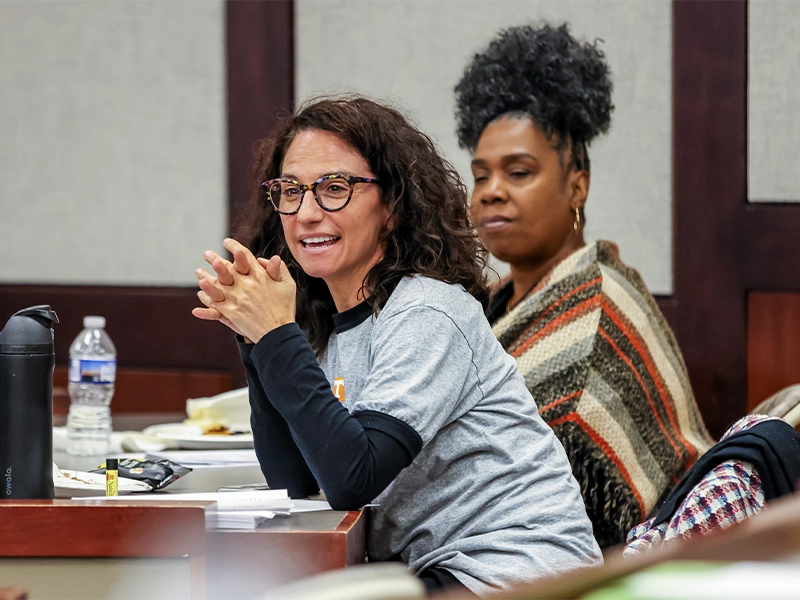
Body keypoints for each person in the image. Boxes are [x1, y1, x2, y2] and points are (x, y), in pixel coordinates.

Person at [192, 97, 601, 595]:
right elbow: (295, 481)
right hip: (436, 570)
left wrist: (278, 337)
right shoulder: (329, 325)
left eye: (335, 189)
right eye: (291, 191)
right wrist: (257, 338)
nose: (307, 213)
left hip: (520, 573)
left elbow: (353, 478)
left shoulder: (426, 312)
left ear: (393, 207)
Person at [454, 24, 714, 548]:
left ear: (577, 186)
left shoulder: (594, 318)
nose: (490, 192)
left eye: (518, 172)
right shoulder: (497, 300)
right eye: (481, 175)